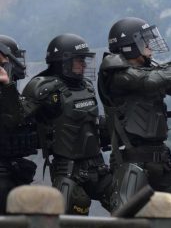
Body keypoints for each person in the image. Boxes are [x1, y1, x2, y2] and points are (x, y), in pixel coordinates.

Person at [98, 17, 171, 217]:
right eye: (144, 40)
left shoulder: (150, 70)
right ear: (129, 46)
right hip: (132, 161)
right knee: (126, 218)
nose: (150, 45)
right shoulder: (116, 73)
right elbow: (150, 81)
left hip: (161, 160)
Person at [20, 33, 116, 215]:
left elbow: (92, 123)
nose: (84, 64)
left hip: (98, 167)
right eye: (79, 60)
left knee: (129, 208)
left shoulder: (86, 86)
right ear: (64, 62)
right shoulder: (45, 88)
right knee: (73, 218)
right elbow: (17, 118)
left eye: (84, 59)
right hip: (69, 171)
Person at [0, 35, 37, 214]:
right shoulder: (6, 92)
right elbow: (11, 120)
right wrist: (6, 85)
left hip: (14, 170)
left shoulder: (11, 92)